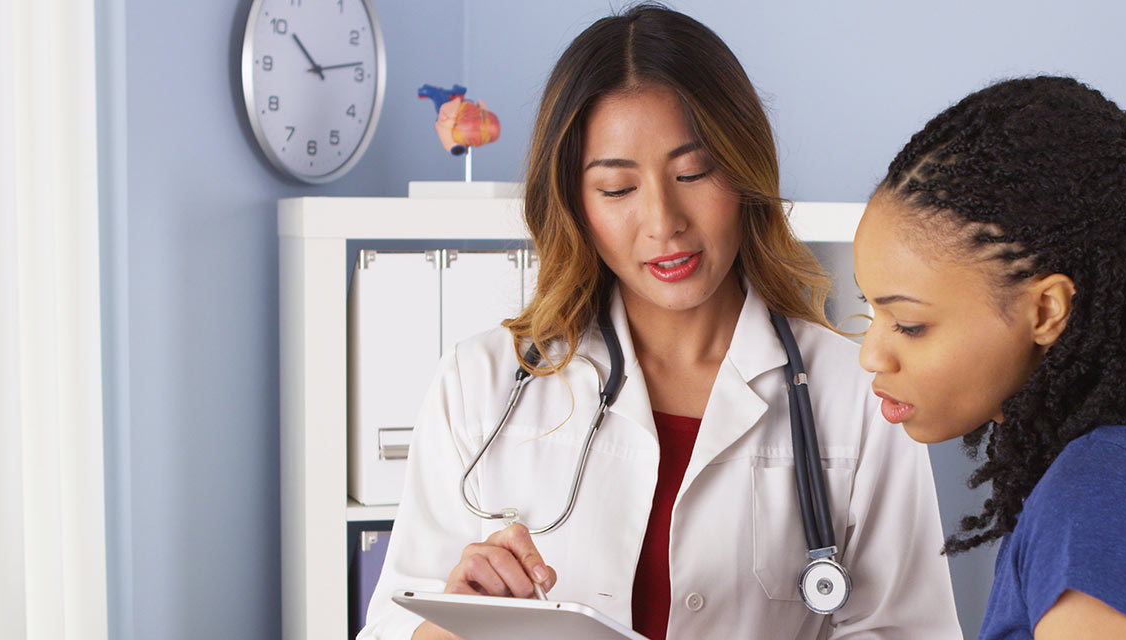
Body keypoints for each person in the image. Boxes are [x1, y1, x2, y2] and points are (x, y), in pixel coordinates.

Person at [358, 5, 958, 639]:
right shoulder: (478, 385)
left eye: (694, 173)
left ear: (745, 169)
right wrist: (457, 623)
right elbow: (396, 625)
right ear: (574, 202)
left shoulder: (861, 394)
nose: (663, 220)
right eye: (618, 188)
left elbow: (910, 630)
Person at [852, 76, 1126, 639]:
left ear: (1045, 311)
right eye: (869, 311)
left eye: (910, 325)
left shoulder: (1104, 495)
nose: (872, 355)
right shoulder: (1111, 473)